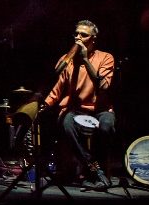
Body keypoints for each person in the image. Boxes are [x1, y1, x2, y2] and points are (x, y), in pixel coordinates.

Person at [41, 19, 114, 190]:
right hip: (75, 109)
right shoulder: (67, 60)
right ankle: (95, 170)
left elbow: (103, 85)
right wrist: (43, 106)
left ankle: (94, 171)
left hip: (100, 109)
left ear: (93, 39)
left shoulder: (105, 57)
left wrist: (85, 61)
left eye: (84, 35)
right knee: (66, 124)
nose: (78, 38)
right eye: (76, 34)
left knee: (107, 127)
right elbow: (57, 90)